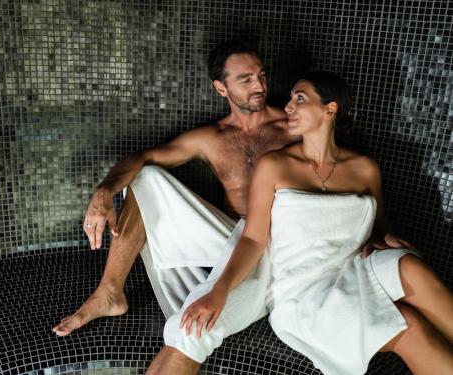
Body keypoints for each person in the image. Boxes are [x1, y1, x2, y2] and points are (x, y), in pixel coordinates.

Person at [149, 72, 453, 375]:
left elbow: (378, 221)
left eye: (300, 98)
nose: (289, 107)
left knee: (410, 265)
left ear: (329, 110)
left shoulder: (364, 169)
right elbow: (253, 239)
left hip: (351, 269)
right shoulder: (274, 166)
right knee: (409, 327)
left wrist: (385, 238)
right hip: (303, 291)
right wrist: (219, 292)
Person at [52, 39, 300, 337]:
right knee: (145, 178)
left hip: (278, 243)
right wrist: (104, 191)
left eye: (261, 75)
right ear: (221, 88)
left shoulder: (292, 128)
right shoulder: (211, 138)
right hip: (228, 238)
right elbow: (143, 158)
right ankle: (109, 293)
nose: (259, 85)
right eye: (245, 79)